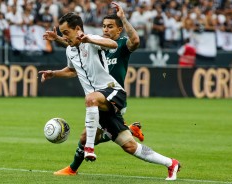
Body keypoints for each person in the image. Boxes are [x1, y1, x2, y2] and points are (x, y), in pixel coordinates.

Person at [40, 9, 180, 181]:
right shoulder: (70, 50)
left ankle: (89, 149)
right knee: (129, 146)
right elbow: (71, 70)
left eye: (66, 32)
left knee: (90, 100)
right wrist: (54, 73)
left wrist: (89, 38)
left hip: (113, 91)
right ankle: (171, 163)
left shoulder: (93, 39)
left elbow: (113, 44)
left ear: (78, 29)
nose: (65, 36)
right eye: (63, 34)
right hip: (100, 103)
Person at [45, 2, 144, 176]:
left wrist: (123, 18)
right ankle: (73, 168)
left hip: (113, 95)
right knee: (88, 136)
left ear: (119, 30)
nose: (106, 30)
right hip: (100, 96)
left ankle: (73, 168)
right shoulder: (97, 43)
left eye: (110, 26)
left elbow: (135, 41)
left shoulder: (120, 45)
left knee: (89, 136)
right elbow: (76, 46)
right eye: (104, 26)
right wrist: (59, 39)